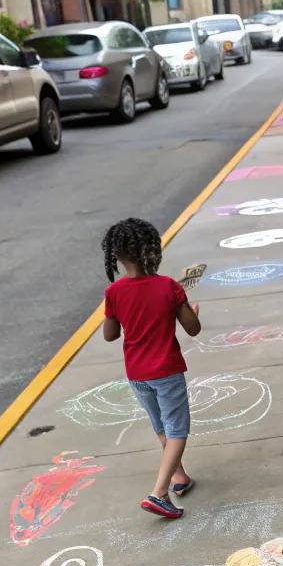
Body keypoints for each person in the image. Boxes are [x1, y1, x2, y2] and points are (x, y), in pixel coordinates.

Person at [101, 218, 202, 520]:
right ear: (153, 250)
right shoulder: (169, 287)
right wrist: (192, 311)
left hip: (137, 374)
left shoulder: (115, 292)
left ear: (116, 256)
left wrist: (117, 311)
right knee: (178, 429)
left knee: (162, 426)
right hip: (167, 371)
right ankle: (159, 493)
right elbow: (193, 329)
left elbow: (110, 335)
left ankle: (179, 476)